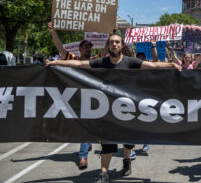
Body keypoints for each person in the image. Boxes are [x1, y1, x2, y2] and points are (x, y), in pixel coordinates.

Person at [46, 34, 181, 183]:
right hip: (108, 111)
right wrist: (56, 62)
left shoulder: (131, 62)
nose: (114, 45)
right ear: (108, 46)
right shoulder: (102, 62)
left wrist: (171, 65)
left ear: (122, 45)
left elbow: (153, 66)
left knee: (128, 141)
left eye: (117, 42)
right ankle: (104, 172)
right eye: (111, 42)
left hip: (127, 109)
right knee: (107, 141)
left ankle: (127, 160)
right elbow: (79, 65)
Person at [48, 21, 113, 170]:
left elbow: (105, 50)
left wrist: (111, 33)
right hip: (77, 97)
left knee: (91, 124)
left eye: (90, 47)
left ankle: (85, 151)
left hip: (95, 98)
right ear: (80, 49)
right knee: (83, 124)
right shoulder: (73, 59)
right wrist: (53, 32)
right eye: (85, 47)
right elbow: (60, 48)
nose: (88, 49)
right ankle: (84, 150)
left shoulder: (95, 60)